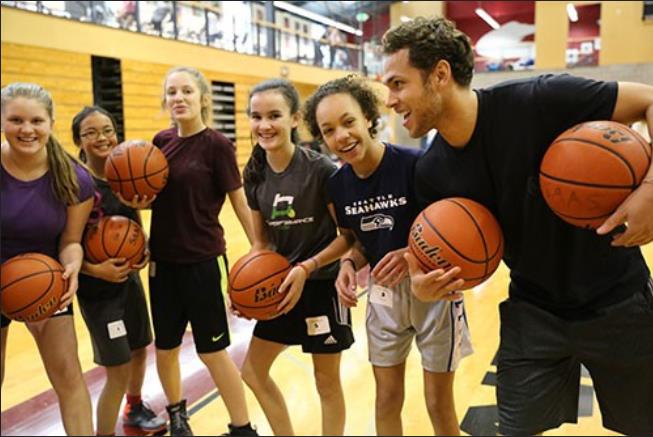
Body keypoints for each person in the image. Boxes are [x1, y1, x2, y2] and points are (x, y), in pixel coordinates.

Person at [382, 16, 653, 436]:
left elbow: (649, 99)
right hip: (533, 311)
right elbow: (430, 257)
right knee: (515, 429)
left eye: (397, 84)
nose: (389, 100)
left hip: (619, 300)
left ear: (439, 74)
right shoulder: (431, 173)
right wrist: (421, 284)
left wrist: (651, 189)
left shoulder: (538, 100)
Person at [303, 75, 472, 436]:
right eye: (329, 130)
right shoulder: (337, 185)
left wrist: (412, 256)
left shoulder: (416, 165)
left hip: (434, 288)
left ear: (367, 117)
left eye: (349, 122)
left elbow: (455, 230)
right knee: (386, 399)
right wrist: (347, 264)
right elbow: (356, 239)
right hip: (383, 293)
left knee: (437, 403)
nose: (342, 136)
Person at [120, 66, 256, 436]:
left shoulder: (217, 145)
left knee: (212, 351)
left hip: (203, 260)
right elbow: (156, 201)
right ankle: (178, 415)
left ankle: (242, 426)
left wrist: (259, 248)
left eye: (186, 91)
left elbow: (239, 202)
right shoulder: (160, 141)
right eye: (172, 92)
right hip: (163, 263)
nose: (178, 98)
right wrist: (132, 202)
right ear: (165, 100)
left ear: (202, 99)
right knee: (165, 347)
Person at [239, 79, 355, 436]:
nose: (265, 125)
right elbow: (261, 244)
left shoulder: (322, 170)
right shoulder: (254, 174)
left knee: (326, 382)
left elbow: (348, 238)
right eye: (257, 116)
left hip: (320, 285)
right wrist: (242, 291)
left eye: (274, 115)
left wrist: (308, 266)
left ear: (294, 119)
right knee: (252, 372)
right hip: (280, 288)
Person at [0, 82, 95, 435]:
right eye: (16, 120)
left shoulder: (75, 178)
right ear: (2, 120)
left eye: (36, 120)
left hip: (43, 280)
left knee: (69, 376)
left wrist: (72, 263)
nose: (27, 129)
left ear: (51, 122)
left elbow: (71, 240)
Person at [71, 106, 167, 436]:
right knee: (118, 365)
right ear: (78, 141)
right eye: (91, 132)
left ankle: (135, 407)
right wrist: (95, 270)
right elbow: (64, 245)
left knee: (141, 348)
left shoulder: (125, 174)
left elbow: (133, 227)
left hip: (129, 281)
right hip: (97, 290)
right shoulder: (77, 184)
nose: (102, 138)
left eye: (108, 130)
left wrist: (144, 249)